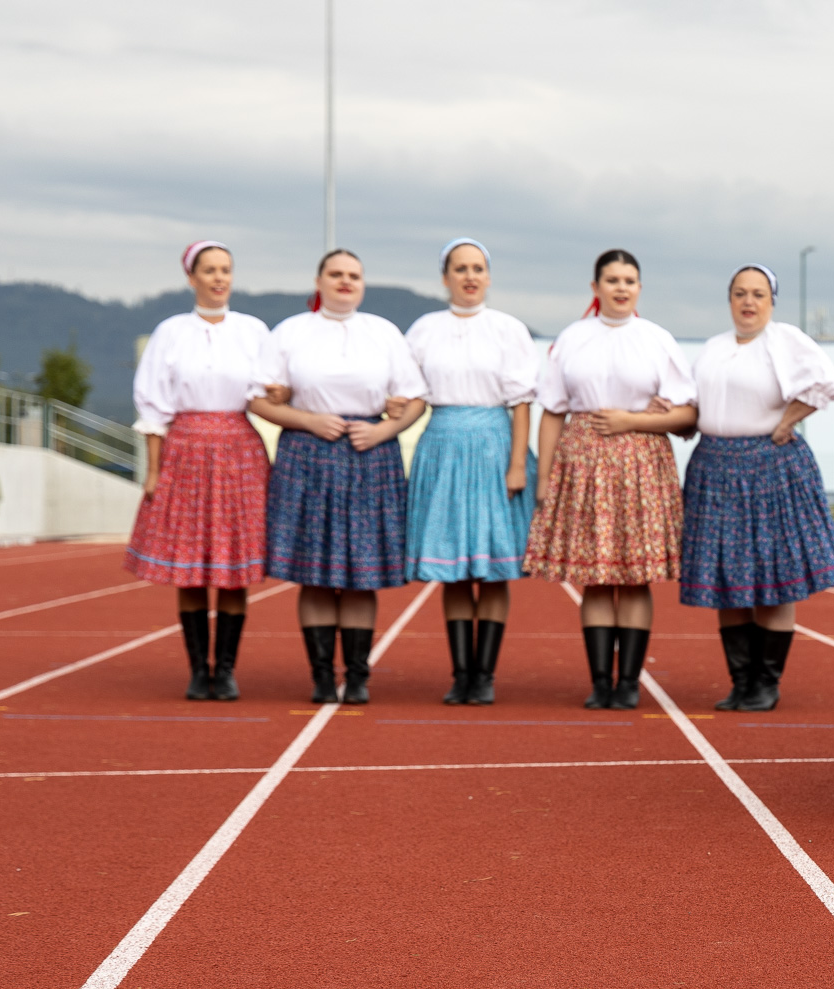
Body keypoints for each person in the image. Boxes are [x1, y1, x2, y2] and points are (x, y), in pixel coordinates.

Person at [249, 249, 428, 704]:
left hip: (370, 454)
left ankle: (358, 677)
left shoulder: (383, 332)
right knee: (314, 573)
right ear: (319, 281)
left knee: (360, 573)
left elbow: (415, 398)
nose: (345, 282)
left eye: (354, 275)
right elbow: (257, 399)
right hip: (307, 453)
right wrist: (307, 420)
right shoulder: (290, 331)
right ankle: (323, 676)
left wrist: (383, 430)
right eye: (336, 274)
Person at [526, 249, 696, 709]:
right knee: (596, 577)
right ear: (595, 287)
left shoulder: (656, 339)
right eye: (612, 280)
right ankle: (601, 681)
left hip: (642, 464)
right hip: (582, 463)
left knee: (635, 577)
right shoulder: (572, 338)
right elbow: (553, 411)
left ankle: (629, 683)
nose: (621, 288)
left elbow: (688, 415)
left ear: (639, 288)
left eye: (629, 280)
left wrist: (634, 421)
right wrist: (544, 479)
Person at [679, 264, 834, 711]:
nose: (748, 302)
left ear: (772, 300)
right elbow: (694, 403)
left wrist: (787, 422)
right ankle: (741, 682)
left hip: (769, 466)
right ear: (729, 299)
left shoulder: (784, 340)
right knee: (726, 578)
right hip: (713, 467)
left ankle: (766, 684)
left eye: (758, 293)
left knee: (773, 576)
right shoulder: (713, 348)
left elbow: (826, 384)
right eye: (740, 293)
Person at [124, 240, 271, 700]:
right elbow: (153, 404)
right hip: (184, 450)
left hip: (239, 450)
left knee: (232, 567)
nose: (219, 278)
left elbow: (271, 391)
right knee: (188, 567)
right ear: (191, 278)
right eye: (209, 270)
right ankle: (196, 669)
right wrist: (153, 471)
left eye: (226, 269)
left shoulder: (253, 330)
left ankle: (224, 669)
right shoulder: (170, 332)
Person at [401, 239, 540, 705]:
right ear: (445, 278)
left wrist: (517, 464)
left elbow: (522, 402)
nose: (470, 276)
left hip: (494, 446)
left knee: (493, 568)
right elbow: (408, 392)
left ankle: (485, 675)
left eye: (478, 268)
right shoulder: (424, 329)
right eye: (460, 268)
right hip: (442, 444)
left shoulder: (508, 329)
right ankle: (461, 673)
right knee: (455, 570)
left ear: (488, 276)